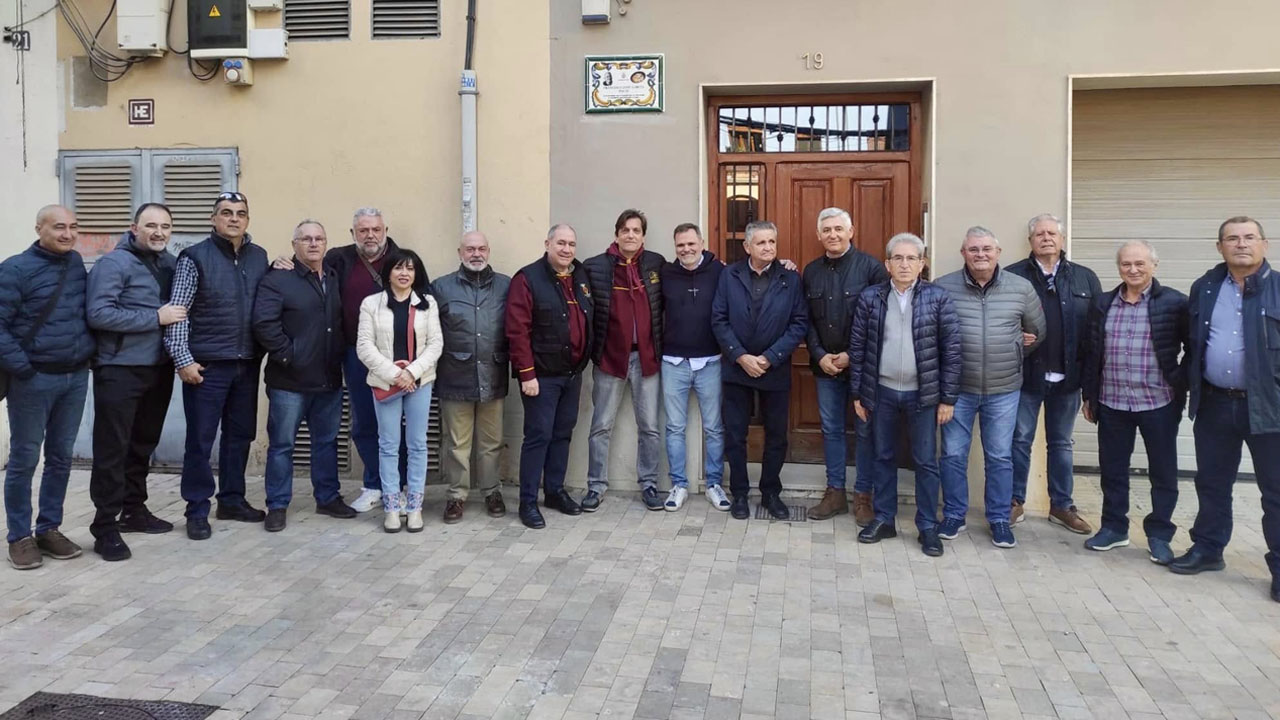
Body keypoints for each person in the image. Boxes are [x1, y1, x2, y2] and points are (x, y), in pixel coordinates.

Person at [1173, 216, 1280, 603]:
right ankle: (1208, 549)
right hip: (1216, 403)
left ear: (1264, 244)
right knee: (1212, 483)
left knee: (1276, 492)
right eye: (1231, 238)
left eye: (1249, 237)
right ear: (1219, 247)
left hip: (1270, 408)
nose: (1241, 244)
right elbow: (1192, 344)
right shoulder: (1205, 288)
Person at [164, 191, 269, 540]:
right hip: (206, 366)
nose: (234, 219)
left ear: (248, 220)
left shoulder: (258, 257)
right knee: (200, 439)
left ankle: (232, 499)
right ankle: (196, 508)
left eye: (241, 213)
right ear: (213, 219)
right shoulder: (194, 258)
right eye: (226, 213)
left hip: (246, 363)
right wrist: (183, 359)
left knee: (240, 436)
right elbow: (178, 311)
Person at [848, 233, 961, 556]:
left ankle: (926, 525)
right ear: (887, 264)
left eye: (912, 258)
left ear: (922, 264)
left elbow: (951, 351)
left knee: (925, 461)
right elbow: (858, 349)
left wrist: (947, 398)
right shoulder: (871, 298)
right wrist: (858, 393)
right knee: (882, 456)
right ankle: (885, 519)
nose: (904, 264)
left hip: (922, 395)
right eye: (898, 258)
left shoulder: (938, 298)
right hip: (881, 392)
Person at [84, 203, 184, 561]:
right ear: (134, 227)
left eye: (166, 226)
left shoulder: (171, 264)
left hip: (157, 368)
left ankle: (134, 510)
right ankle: (104, 527)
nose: (159, 232)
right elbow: (98, 313)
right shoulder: (113, 264)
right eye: (151, 225)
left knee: (142, 443)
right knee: (113, 448)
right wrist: (154, 317)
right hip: (119, 368)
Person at [935, 226, 1045, 548]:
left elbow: (1036, 333)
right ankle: (955, 514)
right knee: (953, 454)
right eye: (973, 249)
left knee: (999, 456)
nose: (980, 255)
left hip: (1004, 389)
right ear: (963, 253)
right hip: (958, 390)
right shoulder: (943, 288)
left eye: (986, 249)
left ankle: (999, 519)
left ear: (998, 253)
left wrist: (1010, 352)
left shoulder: (1021, 288)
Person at [1080, 240, 1188, 563]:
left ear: (1154, 265)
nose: (1133, 270)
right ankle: (1114, 528)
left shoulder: (1174, 303)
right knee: (1113, 470)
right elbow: (1091, 351)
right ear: (1119, 268)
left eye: (1140, 263)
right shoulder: (1103, 303)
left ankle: (1159, 534)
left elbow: (1194, 347)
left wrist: (1181, 381)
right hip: (1112, 402)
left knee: (1163, 472)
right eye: (1126, 264)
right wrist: (1090, 395)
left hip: (1159, 402)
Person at [0, 205, 95, 570]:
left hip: (75, 377)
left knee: (60, 458)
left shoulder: (74, 266)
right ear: (39, 228)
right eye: (59, 227)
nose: (68, 234)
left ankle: (49, 528)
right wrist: (23, 368)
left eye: (73, 227)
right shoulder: (15, 269)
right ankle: (19, 537)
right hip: (33, 379)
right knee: (25, 459)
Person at [253, 220, 356, 533]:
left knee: (325, 442)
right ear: (294, 244)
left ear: (326, 243)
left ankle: (327, 497)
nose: (313, 244)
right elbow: (263, 323)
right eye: (306, 239)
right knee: (282, 445)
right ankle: (277, 504)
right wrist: (290, 355)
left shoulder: (334, 276)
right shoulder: (278, 278)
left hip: (328, 378)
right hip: (289, 381)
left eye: (319, 238)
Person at [1006, 213, 1101, 533]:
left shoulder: (1085, 279)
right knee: (1019, 440)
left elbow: (1094, 335)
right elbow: (997, 324)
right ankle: (1014, 501)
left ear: (1062, 239)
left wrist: (1090, 389)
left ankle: (1061, 505)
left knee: (1061, 443)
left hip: (1068, 380)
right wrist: (1013, 337)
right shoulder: (1012, 276)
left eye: (1052, 233)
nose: (1046, 238)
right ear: (1030, 241)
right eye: (1039, 234)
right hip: (1025, 378)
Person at [712, 220, 808, 521]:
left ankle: (770, 493)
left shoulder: (790, 278)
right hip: (736, 368)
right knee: (735, 434)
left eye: (772, 242)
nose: (768, 248)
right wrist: (741, 357)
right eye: (762, 243)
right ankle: (739, 493)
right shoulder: (729, 276)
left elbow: (799, 322)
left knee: (777, 435)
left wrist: (769, 357)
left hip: (774, 368)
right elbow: (719, 319)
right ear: (747, 247)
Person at [802, 207, 889, 525]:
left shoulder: (872, 269)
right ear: (818, 235)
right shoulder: (810, 271)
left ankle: (864, 495)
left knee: (866, 430)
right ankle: (835, 492)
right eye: (827, 230)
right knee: (832, 430)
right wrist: (819, 353)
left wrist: (854, 353)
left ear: (851, 232)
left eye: (839, 229)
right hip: (824, 367)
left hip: (863, 366)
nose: (833, 235)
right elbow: (806, 320)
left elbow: (882, 321)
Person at [505, 224, 594, 529]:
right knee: (538, 436)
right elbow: (517, 331)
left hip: (571, 374)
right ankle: (528, 501)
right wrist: (526, 374)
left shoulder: (580, 275)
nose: (567, 249)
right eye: (561, 243)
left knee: (562, 434)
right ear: (547, 243)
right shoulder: (528, 278)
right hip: (540, 376)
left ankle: (554, 491)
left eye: (571, 243)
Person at [580, 209, 665, 512]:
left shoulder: (655, 264)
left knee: (650, 427)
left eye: (637, 230)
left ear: (643, 235)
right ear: (616, 233)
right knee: (601, 425)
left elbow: (689, 274)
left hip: (647, 358)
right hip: (609, 358)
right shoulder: (594, 267)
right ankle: (595, 486)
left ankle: (650, 484)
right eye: (625, 230)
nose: (631, 235)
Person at [356, 248, 443, 533]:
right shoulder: (371, 303)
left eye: (410, 269)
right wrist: (396, 374)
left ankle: (415, 507)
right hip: (385, 382)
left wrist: (412, 373)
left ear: (416, 274)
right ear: (388, 272)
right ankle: (393, 507)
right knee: (388, 445)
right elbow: (364, 347)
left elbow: (435, 345)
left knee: (417, 445)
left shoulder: (427, 303)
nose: (404, 273)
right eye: (398, 268)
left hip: (419, 382)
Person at [433, 231, 510, 523]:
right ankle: (456, 497)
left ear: (489, 251)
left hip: (493, 372)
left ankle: (492, 491)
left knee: (492, 441)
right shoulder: (441, 287)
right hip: (455, 376)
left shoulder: (506, 286)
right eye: (470, 249)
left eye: (481, 248)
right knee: (457, 444)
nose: (476, 254)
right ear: (459, 252)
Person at [660, 223, 727, 511]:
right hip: (673, 361)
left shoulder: (721, 272)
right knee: (675, 427)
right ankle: (679, 485)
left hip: (710, 361)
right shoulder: (665, 273)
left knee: (713, 427)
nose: (686, 249)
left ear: (702, 242)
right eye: (680, 246)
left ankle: (713, 484)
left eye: (691, 244)